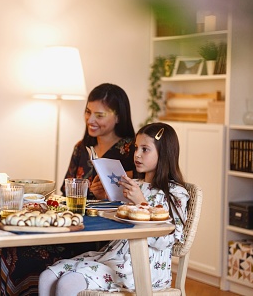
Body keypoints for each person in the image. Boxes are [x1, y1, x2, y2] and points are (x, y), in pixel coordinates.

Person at [0, 83, 136, 295]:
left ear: (118, 117)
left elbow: (140, 202)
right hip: (72, 227)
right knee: (6, 248)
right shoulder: (81, 147)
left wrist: (107, 195)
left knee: (24, 256)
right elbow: (65, 192)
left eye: (99, 115)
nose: (90, 120)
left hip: (101, 237)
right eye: (88, 112)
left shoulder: (133, 151)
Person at [38, 122, 190, 295]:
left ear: (164, 153)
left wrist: (141, 203)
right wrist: (104, 197)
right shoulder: (135, 185)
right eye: (136, 148)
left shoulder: (176, 193)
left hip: (142, 268)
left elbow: (169, 240)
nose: (137, 155)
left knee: (68, 283)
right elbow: (118, 219)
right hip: (114, 255)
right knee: (47, 276)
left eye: (145, 149)